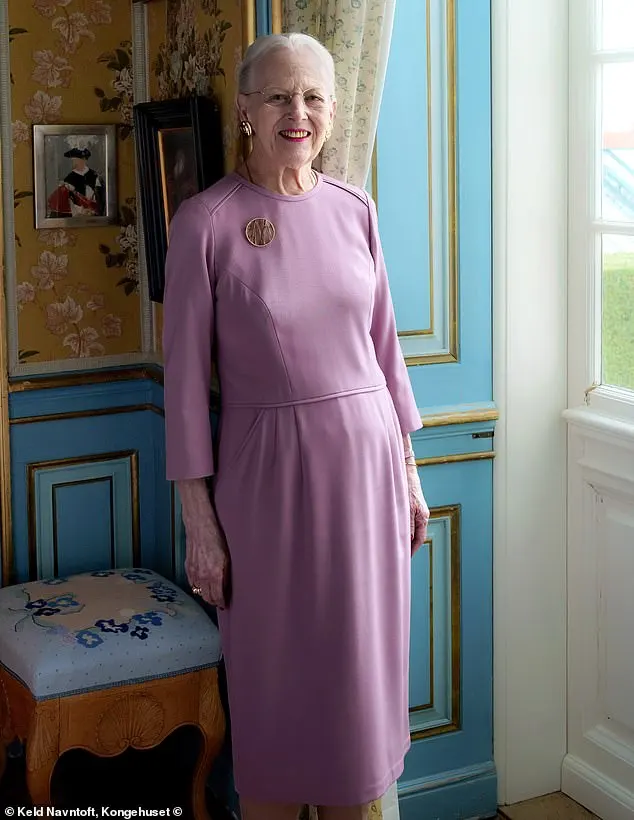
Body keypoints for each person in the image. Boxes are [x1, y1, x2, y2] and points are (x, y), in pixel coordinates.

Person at [162, 32, 430, 820]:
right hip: (267, 488)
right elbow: (182, 389)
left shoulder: (356, 210)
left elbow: (386, 353)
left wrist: (411, 477)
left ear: (334, 112)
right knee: (276, 703)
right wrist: (199, 524)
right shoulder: (206, 223)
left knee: (358, 704)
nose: (297, 113)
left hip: (369, 480)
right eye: (278, 96)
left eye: (313, 97)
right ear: (245, 110)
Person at [46, 147, 106, 218]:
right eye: (74, 161)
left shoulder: (94, 175)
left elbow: (101, 197)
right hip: (77, 213)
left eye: (79, 160)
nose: (76, 163)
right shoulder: (70, 177)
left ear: (84, 160)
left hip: (93, 212)